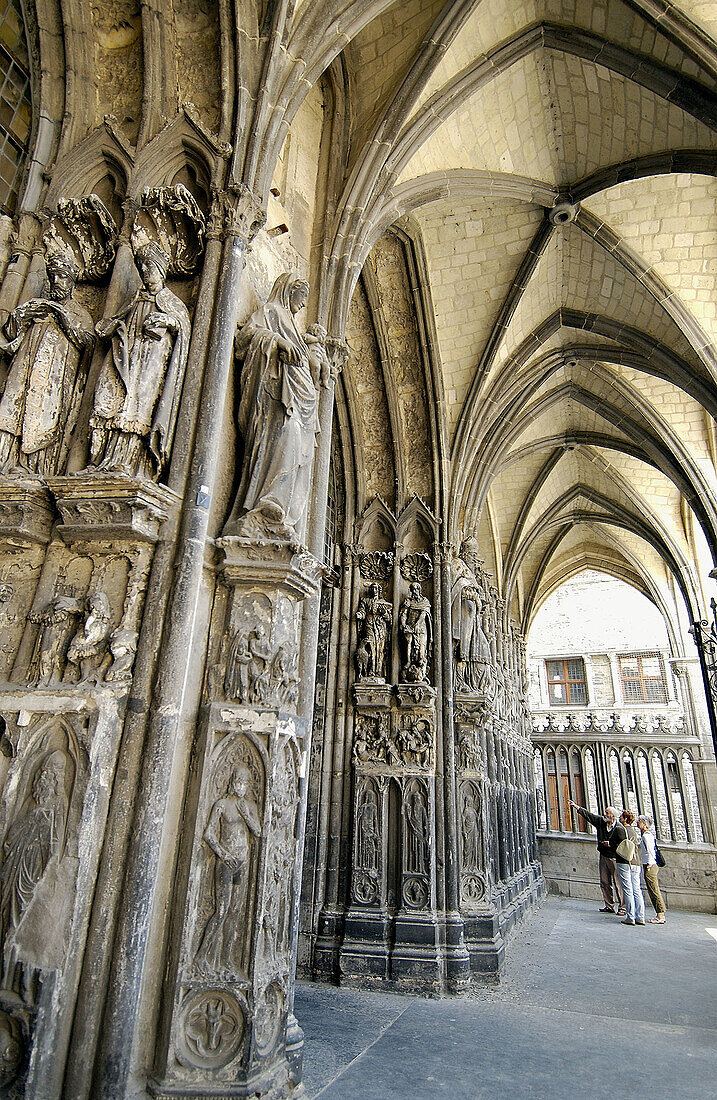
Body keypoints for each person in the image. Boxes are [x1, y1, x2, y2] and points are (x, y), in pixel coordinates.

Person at [90, 239, 191, 480]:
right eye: (142, 268)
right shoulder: (134, 298)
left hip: (152, 364)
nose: (146, 273)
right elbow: (115, 321)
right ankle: (109, 459)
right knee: (117, 403)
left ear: (161, 270)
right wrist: (114, 326)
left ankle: (133, 464)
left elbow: (184, 329)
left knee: (139, 409)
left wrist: (169, 321)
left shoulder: (172, 303)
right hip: (128, 358)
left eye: (150, 267)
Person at [568, 800, 625, 914]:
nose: (604, 814)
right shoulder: (601, 822)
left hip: (614, 857)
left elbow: (623, 844)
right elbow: (590, 816)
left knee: (618, 883)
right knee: (604, 881)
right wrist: (577, 807)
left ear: (613, 816)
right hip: (604, 855)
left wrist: (611, 845)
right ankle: (609, 905)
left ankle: (623, 907)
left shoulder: (619, 828)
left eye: (607, 813)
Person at [610, 808, 645, 926]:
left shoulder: (619, 829)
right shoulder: (634, 831)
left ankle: (630, 917)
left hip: (624, 861)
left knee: (628, 889)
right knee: (637, 890)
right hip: (636, 862)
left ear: (625, 819)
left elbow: (612, 842)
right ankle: (640, 916)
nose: (619, 818)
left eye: (621, 817)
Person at [638, 814, 666, 924]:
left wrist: (649, 864)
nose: (637, 822)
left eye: (639, 821)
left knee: (654, 890)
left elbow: (650, 850)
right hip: (649, 864)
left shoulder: (646, 836)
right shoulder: (646, 835)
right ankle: (660, 913)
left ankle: (660, 915)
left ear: (644, 824)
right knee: (652, 889)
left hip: (650, 865)